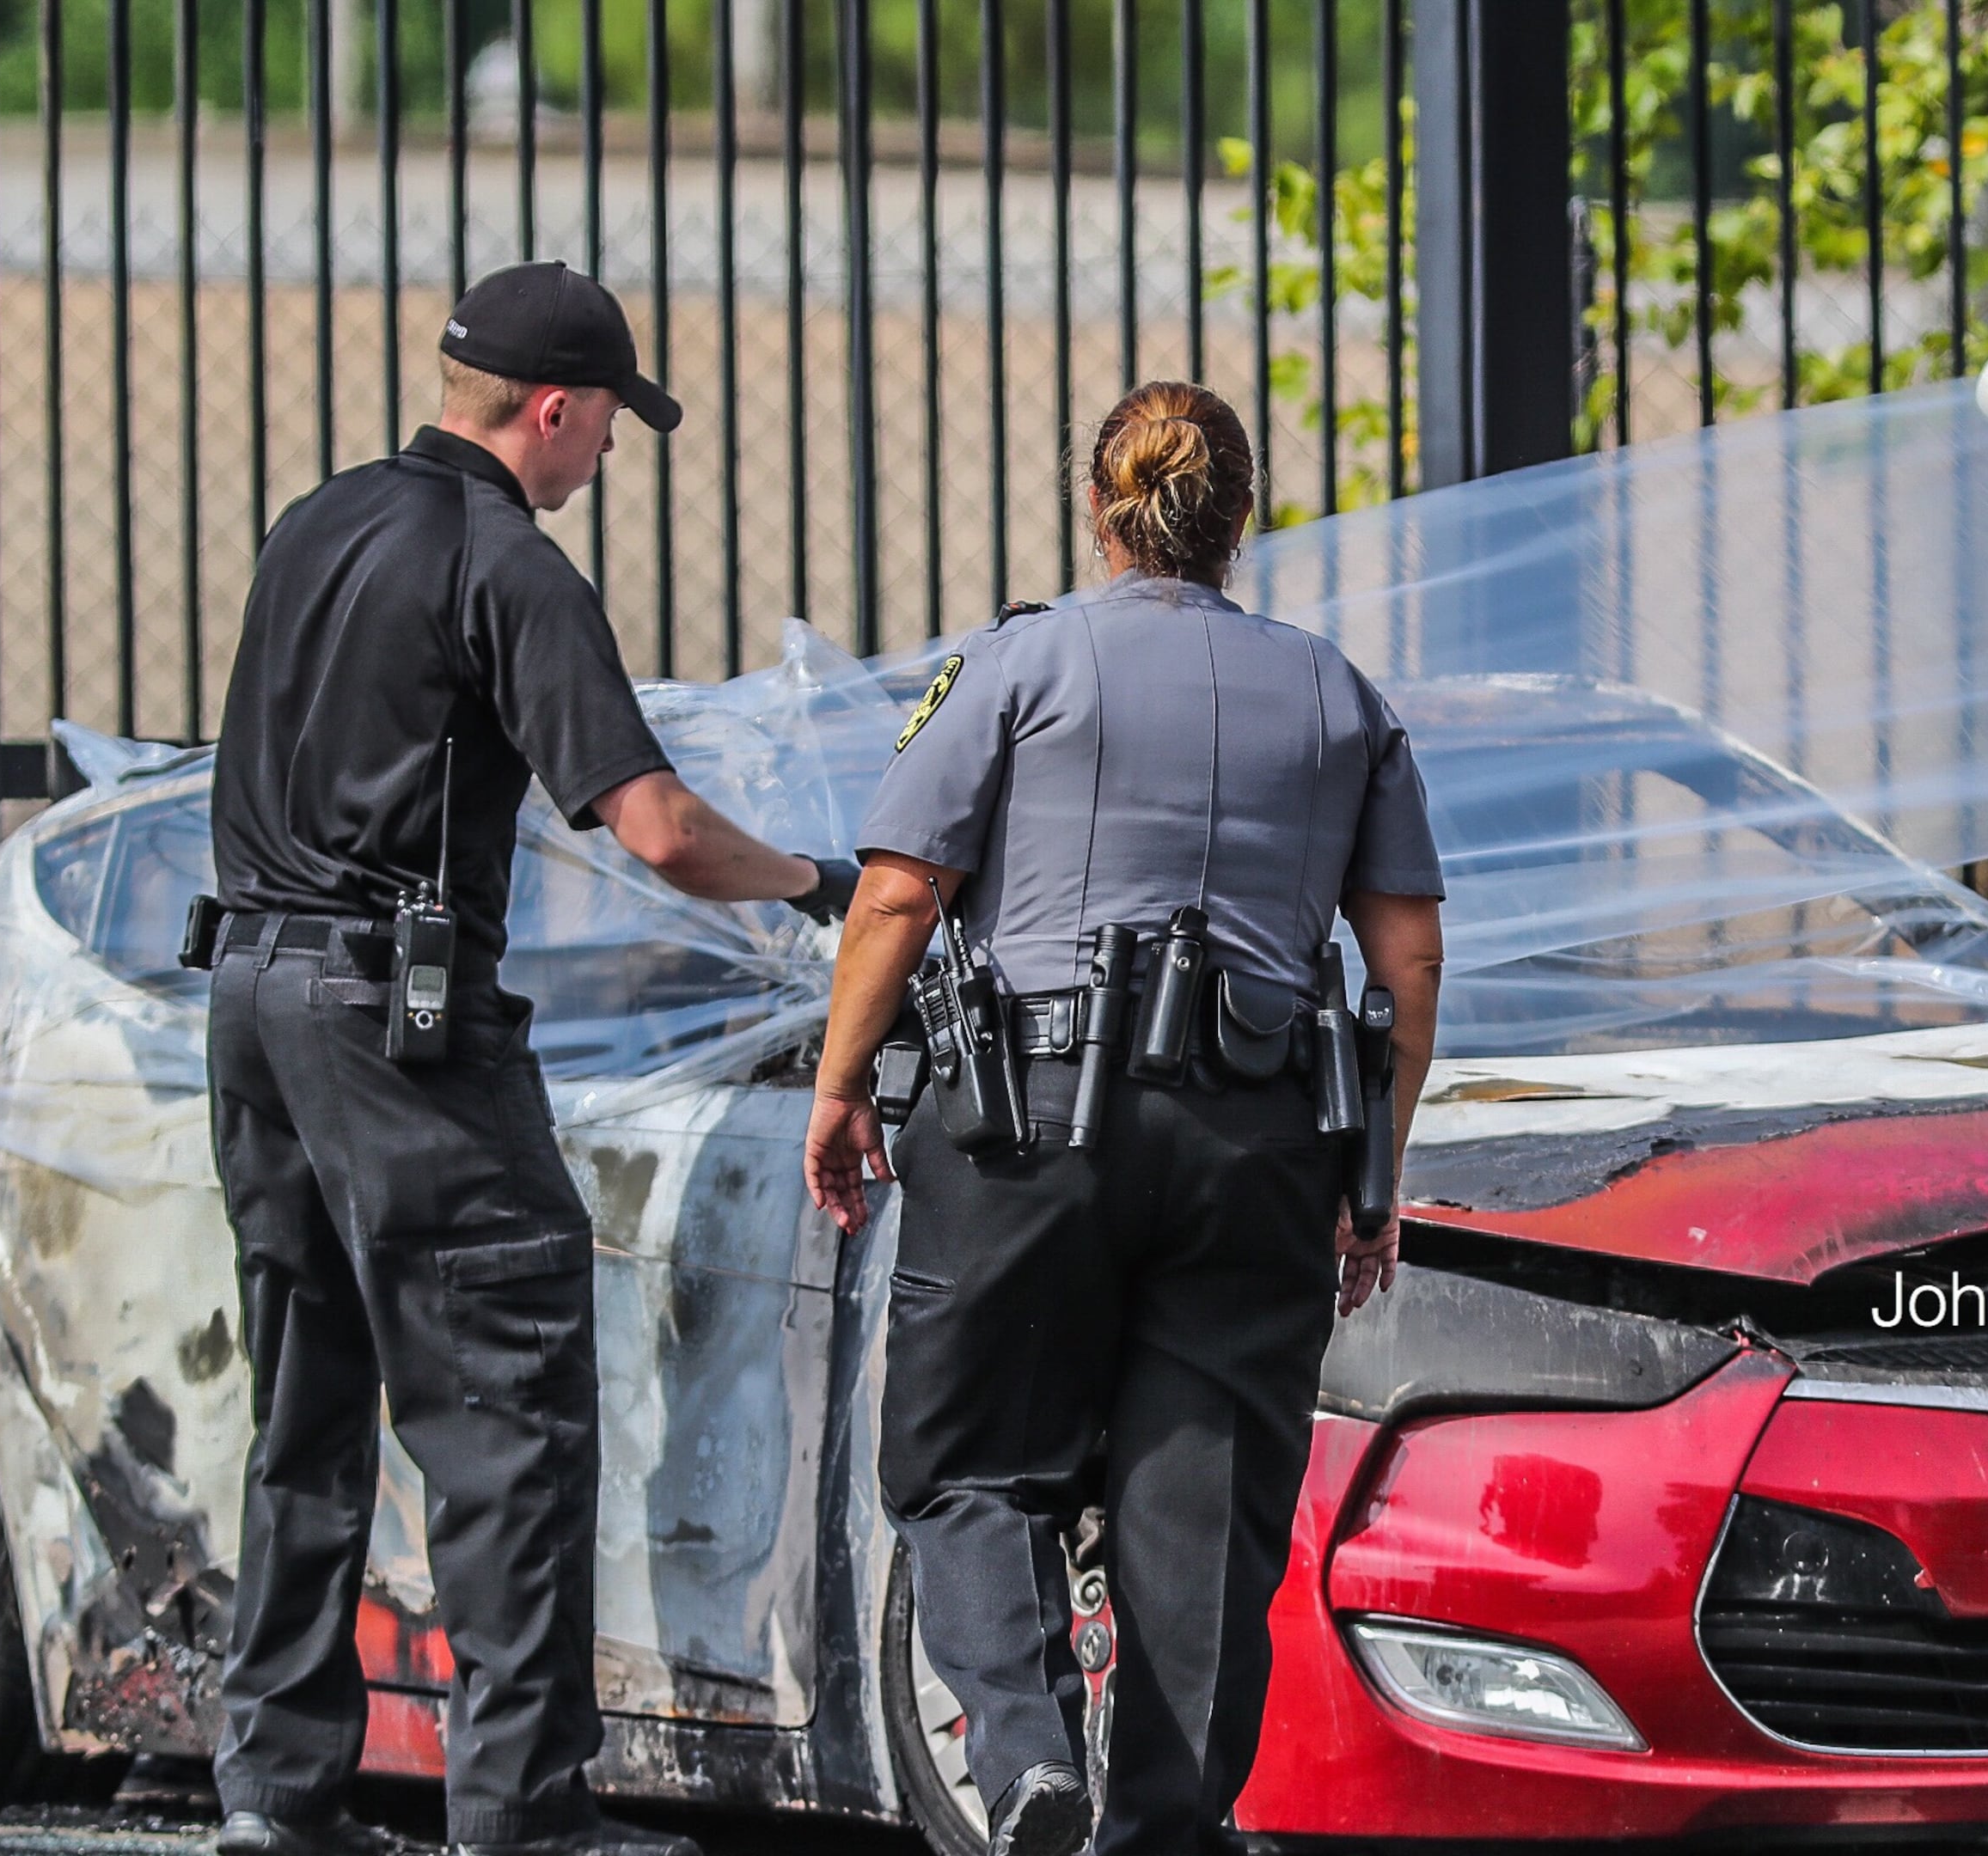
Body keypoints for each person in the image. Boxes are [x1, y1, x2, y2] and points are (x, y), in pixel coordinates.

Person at [201, 259, 858, 1856]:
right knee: (509, 1402)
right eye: (610, 424)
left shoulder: (319, 520)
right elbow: (658, 828)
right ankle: (526, 1817)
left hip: (251, 997)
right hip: (390, 1024)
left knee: (308, 1401)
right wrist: (820, 885)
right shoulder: (509, 564)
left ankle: (276, 1798)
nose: (611, 455)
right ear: (551, 410)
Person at [801, 381, 1447, 1856]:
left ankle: (1027, 1756)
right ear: (1243, 522)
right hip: (1261, 1148)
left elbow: (901, 889)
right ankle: (1167, 1823)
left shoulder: (1021, 665)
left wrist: (841, 1090)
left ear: (1099, 510)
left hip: (1032, 1128)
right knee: (1200, 1504)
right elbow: (1405, 957)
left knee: (968, 1459)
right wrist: (1377, 1171)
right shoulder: (1343, 695)